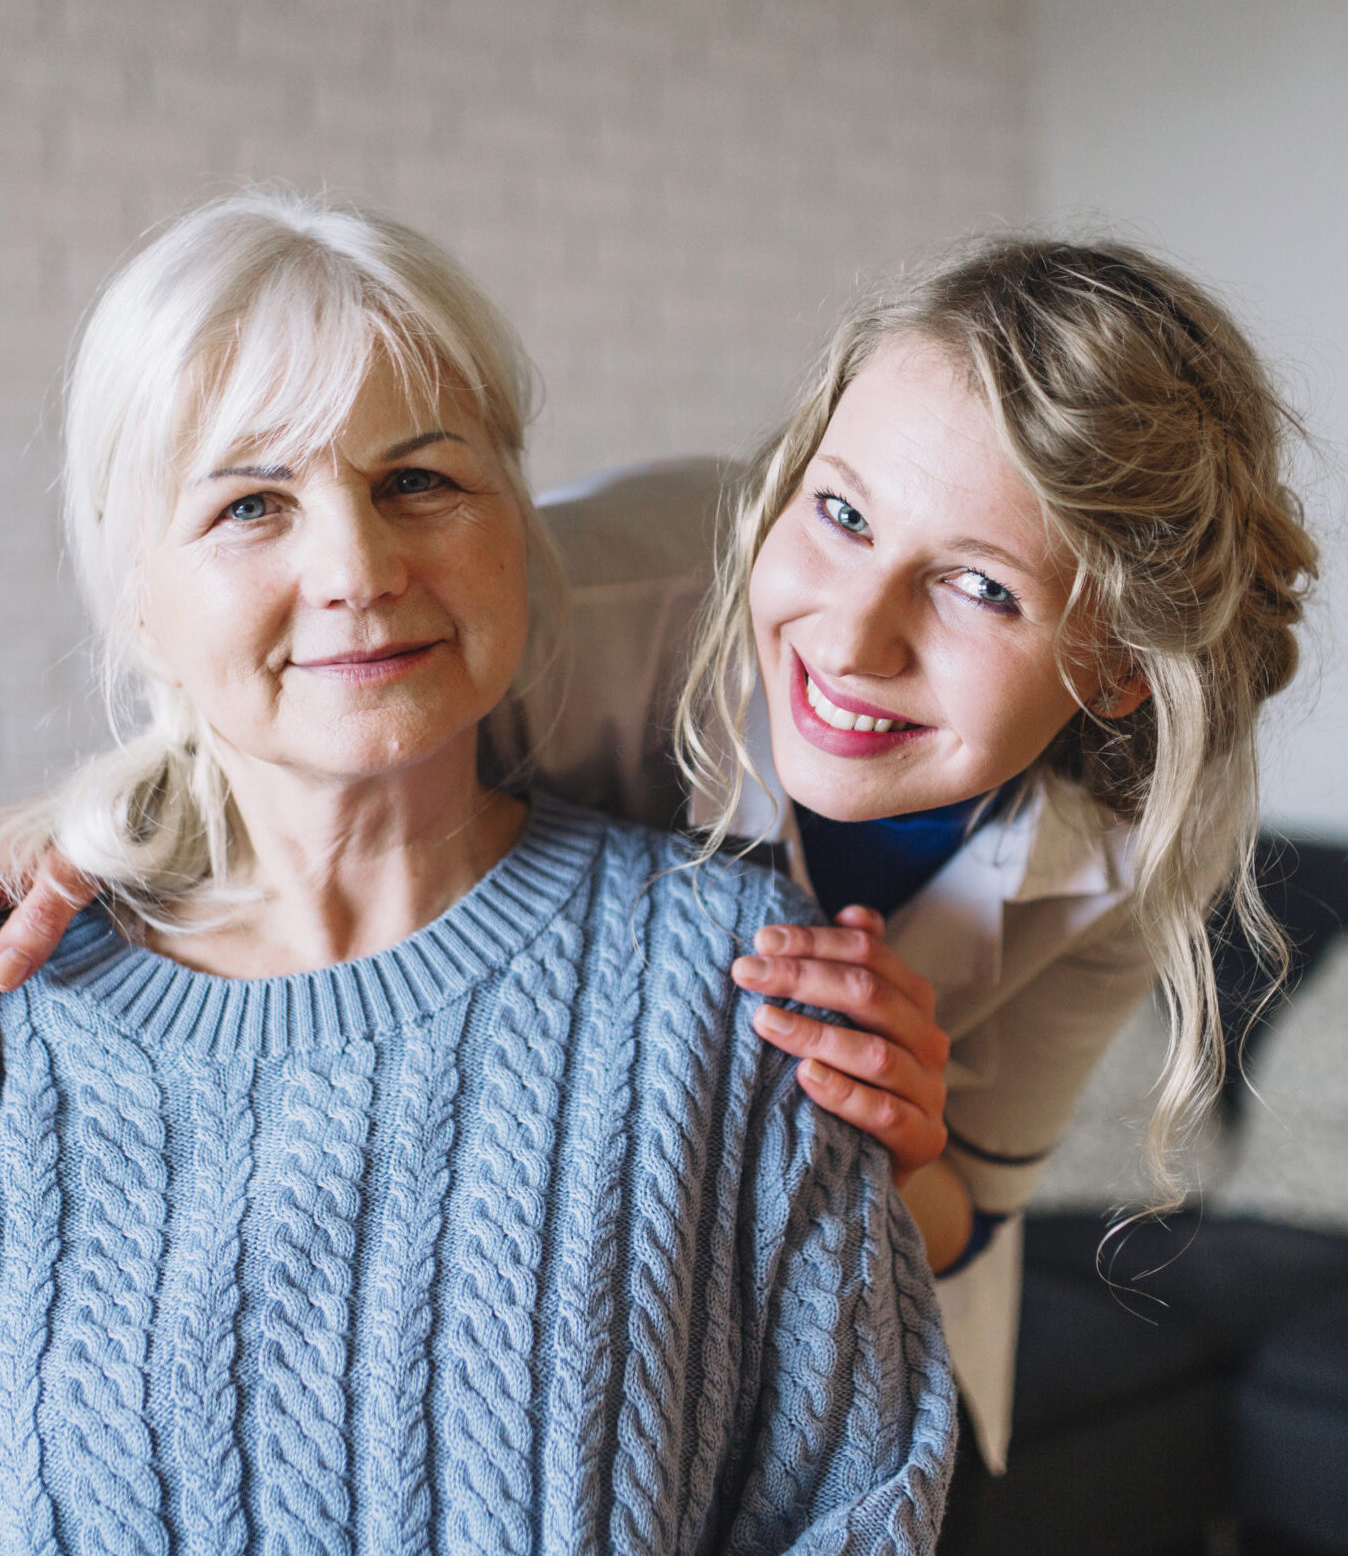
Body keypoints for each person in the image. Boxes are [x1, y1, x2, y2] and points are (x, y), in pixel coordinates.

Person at [0, 231, 1317, 1469]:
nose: (851, 638)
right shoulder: (581, 609)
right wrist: (94, 825)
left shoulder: (1142, 844)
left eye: (982, 587)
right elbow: (296, 694)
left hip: (859, 1355)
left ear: (1120, 665)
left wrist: (896, 1149)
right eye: (841, 513)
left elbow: (973, 1198)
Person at [0, 190, 955, 1551]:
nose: (357, 567)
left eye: (419, 482)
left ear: (518, 521)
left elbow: (857, 1507)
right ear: (136, 592)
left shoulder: (737, 977)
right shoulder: (26, 1017)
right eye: (252, 504)